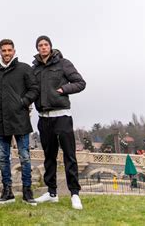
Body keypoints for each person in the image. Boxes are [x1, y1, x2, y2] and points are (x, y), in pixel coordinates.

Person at [32, 35, 86, 210]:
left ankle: (74, 194)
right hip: (44, 118)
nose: (43, 47)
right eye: (40, 45)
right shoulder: (35, 69)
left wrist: (63, 89)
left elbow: (80, 83)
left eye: (46, 44)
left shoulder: (63, 64)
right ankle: (52, 192)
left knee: (69, 155)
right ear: (37, 48)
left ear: (50, 46)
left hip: (62, 116)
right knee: (49, 157)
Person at [0, 39, 39, 205]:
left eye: (9, 50)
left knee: (24, 156)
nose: (6, 53)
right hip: (2, 120)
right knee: (4, 158)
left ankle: (27, 191)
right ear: (0, 52)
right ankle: (7, 191)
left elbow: (34, 89)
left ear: (14, 51)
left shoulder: (24, 68)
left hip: (20, 119)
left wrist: (23, 102)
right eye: (3, 50)